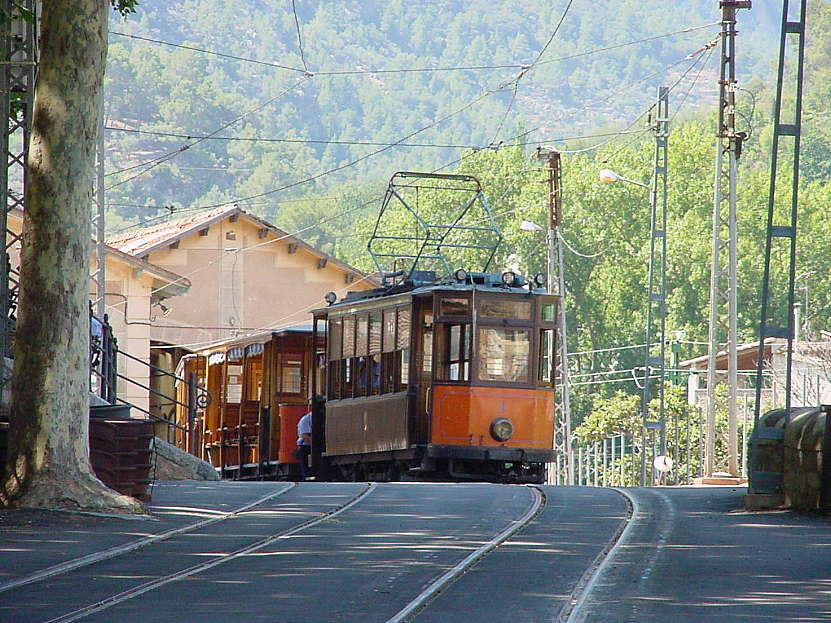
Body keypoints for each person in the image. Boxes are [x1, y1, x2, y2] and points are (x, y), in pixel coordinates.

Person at [296, 410, 313, 480]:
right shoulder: (305, 420)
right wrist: (315, 444)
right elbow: (305, 436)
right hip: (305, 446)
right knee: (305, 467)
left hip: (312, 446)